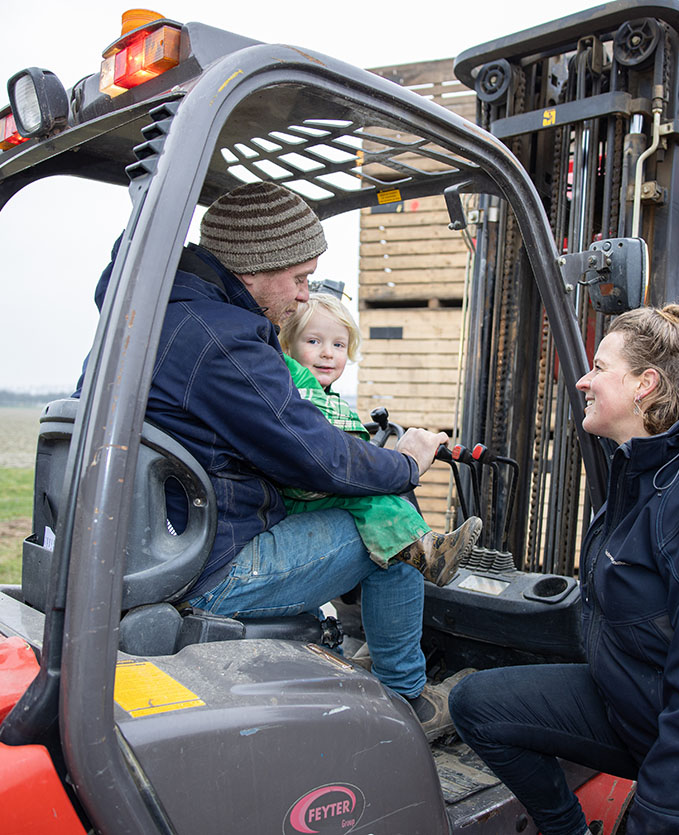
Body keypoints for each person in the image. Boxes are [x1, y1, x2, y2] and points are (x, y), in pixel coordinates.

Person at [87, 181, 452, 737]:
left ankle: (368, 655)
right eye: (300, 278)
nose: (306, 296)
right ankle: (406, 697)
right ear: (255, 268)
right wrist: (405, 463)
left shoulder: (149, 313)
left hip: (154, 546)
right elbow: (319, 459)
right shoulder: (222, 339)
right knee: (398, 527)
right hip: (215, 568)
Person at [448, 305, 679, 834]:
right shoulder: (642, 477)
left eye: (599, 366)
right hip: (642, 709)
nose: (583, 380)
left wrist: (657, 819)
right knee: (479, 705)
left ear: (645, 384)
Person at [277, 292, 482, 586]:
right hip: (300, 498)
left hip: (310, 489)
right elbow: (334, 453)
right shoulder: (295, 380)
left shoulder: (323, 395)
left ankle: (425, 550)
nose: (327, 353)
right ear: (287, 345)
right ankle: (429, 553)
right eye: (313, 341)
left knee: (381, 506)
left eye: (338, 345)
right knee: (377, 501)